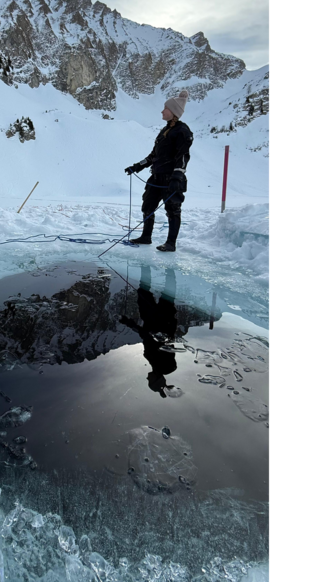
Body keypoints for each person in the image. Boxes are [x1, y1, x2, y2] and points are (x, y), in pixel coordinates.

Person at [124, 90, 193, 252]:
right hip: (156, 177)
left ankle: (170, 243)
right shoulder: (164, 131)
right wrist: (137, 166)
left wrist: (177, 176)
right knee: (147, 205)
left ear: (174, 112)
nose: (162, 111)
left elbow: (183, 156)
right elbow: (153, 155)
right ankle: (146, 236)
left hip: (171, 178)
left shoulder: (183, 131)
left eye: (165, 108)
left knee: (173, 210)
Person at [118, 267, 185, 398]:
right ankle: (146, 265)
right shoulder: (158, 363)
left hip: (165, 320)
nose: (147, 378)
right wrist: (128, 323)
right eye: (150, 380)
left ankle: (169, 268)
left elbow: (152, 338)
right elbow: (146, 336)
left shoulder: (162, 365)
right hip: (154, 319)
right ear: (156, 379)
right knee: (144, 289)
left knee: (167, 293)